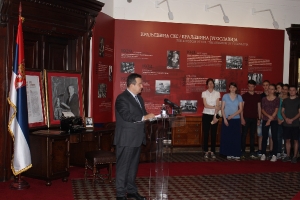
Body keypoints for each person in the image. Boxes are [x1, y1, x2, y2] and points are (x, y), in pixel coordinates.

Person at [114, 73, 155, 200]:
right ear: (132, 85)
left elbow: (143, 114)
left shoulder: (139, 99)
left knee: (132, 167)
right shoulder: (122, 98)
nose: (142, 86)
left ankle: (131, 191)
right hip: (126, 139)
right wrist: (144, 117)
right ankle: (121, 195)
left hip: (137, 138)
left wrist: (154, 117)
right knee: (123, 167)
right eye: (139, 84)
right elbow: (126, 116)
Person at [220, 82, 243, 161]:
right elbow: (222, 108)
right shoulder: (225, 96)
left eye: (234, 87)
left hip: (235, 119)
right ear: (229, 88)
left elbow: (240, 109)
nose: (232, 89)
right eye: (231, 87)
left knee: (236, 137)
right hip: (226, 119)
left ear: (236, 88)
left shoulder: (239, 97)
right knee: (227, 137)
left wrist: (232, 116)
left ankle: (236, 154)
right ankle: (228, 153)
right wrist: (225, 119)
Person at [241, 80, 261, 159]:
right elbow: (241, 108)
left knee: (253, 135)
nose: (251, 88)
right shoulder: (244, 96)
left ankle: (252, 151)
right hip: (246, 118)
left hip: (254, 118)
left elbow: (259, 108)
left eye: (252, 86)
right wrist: (242, 118)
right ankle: (242, 151)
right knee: (244, 135)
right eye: (249, 86)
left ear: (255, 87)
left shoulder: (257, 96)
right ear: (247, 86)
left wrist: (259, 118)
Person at [201, 78, 220, 159]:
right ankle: (205, 151)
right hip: (206, 115)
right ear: (207, 85)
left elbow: (218, 106)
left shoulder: (217, 93)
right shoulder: (204, 93)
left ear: (213, 84)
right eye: (209, 83)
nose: (210, 85)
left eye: (212, 83)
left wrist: (215, 116)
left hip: (214, 115)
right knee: (206, 133)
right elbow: (205, 105)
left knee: (213, 134)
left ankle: (212, 151)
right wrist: (214, 107)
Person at [260, 84, 280, 162]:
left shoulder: (277, 99)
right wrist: (268, 117)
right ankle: (263, 154)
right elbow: (262, 110)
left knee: (274, 137)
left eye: (272, 89)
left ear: (275, 90)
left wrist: (270, 119)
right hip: (265, 119)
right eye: (269, 89)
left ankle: (274, 155)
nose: (270, 90)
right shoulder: (264, 99)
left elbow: (276, 110)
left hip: (274, 120)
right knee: (264, 137)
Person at [281, 85, 300, 163]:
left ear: (296, 91)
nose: (292, 91)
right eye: (290, 90)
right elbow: (282, 111)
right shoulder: (285, 100)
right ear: (288, 91)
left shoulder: (299, 100)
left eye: (293, 90)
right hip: (286, 123)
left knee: (295, 140)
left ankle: (295, 156)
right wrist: (286, 119)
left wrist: (292, 119)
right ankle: (288, 155)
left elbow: (299, 113)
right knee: (287, 140)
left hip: (295, 123)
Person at [256, 80, 272, 157]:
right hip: (262, 118)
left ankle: (271, 151)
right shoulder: (260, 96)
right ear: (263, 86)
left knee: (271, 135)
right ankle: (260, 150)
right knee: (260, 135)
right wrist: (259, 117)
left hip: (271, 119)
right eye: (264, 85)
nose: (266, 87)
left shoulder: (273, 96)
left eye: (267, 85)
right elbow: (259, 108)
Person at [277, 83, 289, 159]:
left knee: (286, 137)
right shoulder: (278, 99)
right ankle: (279, 152)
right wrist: (278, 118)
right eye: (283, 89)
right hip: (278, 120)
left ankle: (285, 152)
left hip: (287, 121)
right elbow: (276, 110)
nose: (284, 90)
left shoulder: (290, 99)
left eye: (286, 89)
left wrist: (284, 119)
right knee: (278, 136)